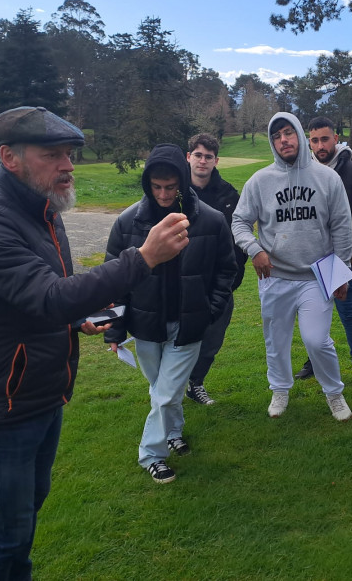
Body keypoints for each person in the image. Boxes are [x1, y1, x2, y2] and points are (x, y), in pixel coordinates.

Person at [0, 106, 189, 579]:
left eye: (70, 154)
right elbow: (49, 296)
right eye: (52, 154)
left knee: (28, 512)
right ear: (9, 158)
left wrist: (78, 319)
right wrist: (143, 259)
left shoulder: (44, 213)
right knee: (9, 532)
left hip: (42, 394)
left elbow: (39, 297)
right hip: (2, 404)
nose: (68, 165)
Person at [104, 143, 237, 483]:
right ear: (147, 184)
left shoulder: (210, 220)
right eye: (156, 187)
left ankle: (151, 454)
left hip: (190, 323)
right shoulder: (126, 222)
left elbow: (227, 268)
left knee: (164, 393)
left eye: (170, 187)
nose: (163, 195)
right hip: (145, 323)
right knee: (163, 390)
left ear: (183, 183)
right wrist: (114, 330)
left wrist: (210, 309)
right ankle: (173, 432)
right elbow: (113, 280)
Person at [231, 112, 352, 421]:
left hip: (316, 275)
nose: (283, 140)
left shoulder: (328, 178)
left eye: (288, 132)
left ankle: (334, 393)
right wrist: (254, 249)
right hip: (276, 276)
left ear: (299, 134)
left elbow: (342, 226)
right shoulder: (260, 181)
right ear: (272, 143)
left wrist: (340, 274)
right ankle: (280, 389)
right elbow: (239, 221)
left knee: (316, 339)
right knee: (276, 340)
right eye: (277, 136)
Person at [295, 116, 352, 390]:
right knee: (313, 314)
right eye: (315, 140)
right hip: (310, 259)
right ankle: (312, 360)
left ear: (336, 138)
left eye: (325, 139)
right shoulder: (303, 171)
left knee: (349, 314)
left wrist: (351, 256)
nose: (320, 145)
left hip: (342, 260)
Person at [183, 133, 248, 406]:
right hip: (182, 282)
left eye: (208, 157)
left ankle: (195, 383)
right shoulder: (173, 192)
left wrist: (231, 277)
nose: (202, 161)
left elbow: (239, 238)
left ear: (216, 160)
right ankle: (171, 387)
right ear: (188, 157)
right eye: (198, 155)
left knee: (211, 341)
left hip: (219, 283)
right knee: (181, 340)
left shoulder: (229, 195)